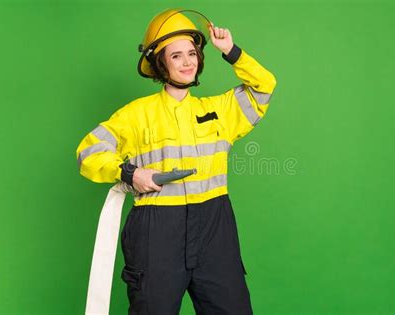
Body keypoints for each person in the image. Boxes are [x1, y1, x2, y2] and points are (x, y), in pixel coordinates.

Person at [76, 8, 276, 315]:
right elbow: (89, 153)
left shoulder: (220, 110)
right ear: (160, 63)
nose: (188, 62)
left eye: (192, 53)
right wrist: (130, 173)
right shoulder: (136, 114)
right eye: (176, 56)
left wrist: (232, 51)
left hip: (214, 228)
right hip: (157, 231)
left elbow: (264, 86)